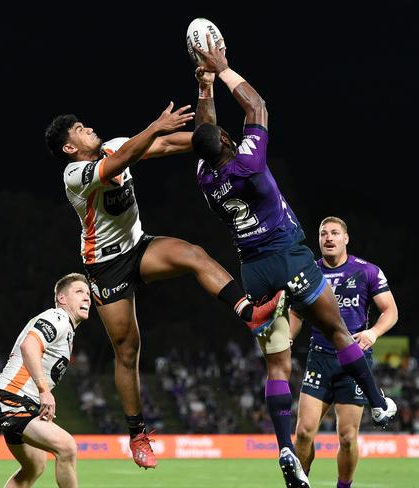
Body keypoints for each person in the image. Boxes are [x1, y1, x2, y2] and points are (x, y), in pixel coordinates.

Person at [190, 36, 397, 488]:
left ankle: (286, 447)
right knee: (338, 329)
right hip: (288, 256)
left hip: (252, 270)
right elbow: (257, 107)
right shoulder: (247, 161)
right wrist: (222, 69)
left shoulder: (207, 179)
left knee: (277, 366)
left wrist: (203, 88)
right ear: (228, 139)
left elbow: (205, 135)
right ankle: (379, 400)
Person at [45, 102, 285, 469]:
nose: (87, 127)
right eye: (78, 129)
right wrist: (156, 125)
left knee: (193, 254)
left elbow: (168, 146)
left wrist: (209, 139)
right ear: (69, 148)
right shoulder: (75, 174)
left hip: (138, 247)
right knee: (127, 349)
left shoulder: (116, 145)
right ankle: (137, 434)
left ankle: (249, 313)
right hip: (105, 265)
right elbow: (126, 157)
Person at [290, 217, 398, 488]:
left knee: (348, 437)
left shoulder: (367, 271)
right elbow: (295, 313)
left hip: (354, 360)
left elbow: (390, 311)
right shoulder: (308, 274)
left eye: (335, 233)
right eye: (323, 233)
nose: (328, 238)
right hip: (319, 358)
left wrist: (373, 333)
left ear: (346, 239)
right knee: (303, 433)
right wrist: (286, 339)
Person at [0, 273, 91, 488]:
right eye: (79, 292)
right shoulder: (58, 317)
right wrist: (44, 389)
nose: (87, 298)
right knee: (67, 447)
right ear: (62, 299)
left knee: (35, 465)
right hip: (10, 398)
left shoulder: (67, 328)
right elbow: (29, 346)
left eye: (88, 293)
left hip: (18, 399)